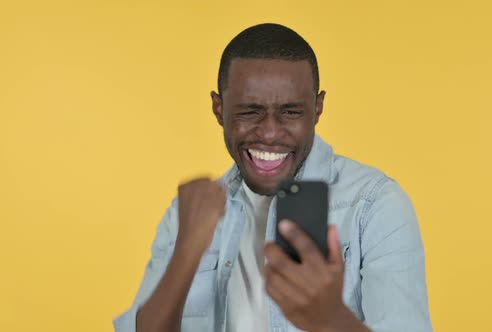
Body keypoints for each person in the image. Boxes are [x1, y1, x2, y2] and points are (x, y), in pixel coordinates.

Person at [114, 23, 432, 332]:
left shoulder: (375, 205)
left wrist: (332, 319)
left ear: (317, 108)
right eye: (249, 111)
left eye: (291, 112)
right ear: (218, 109)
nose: (269, 132)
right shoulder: (190, 212)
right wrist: (187, 249)